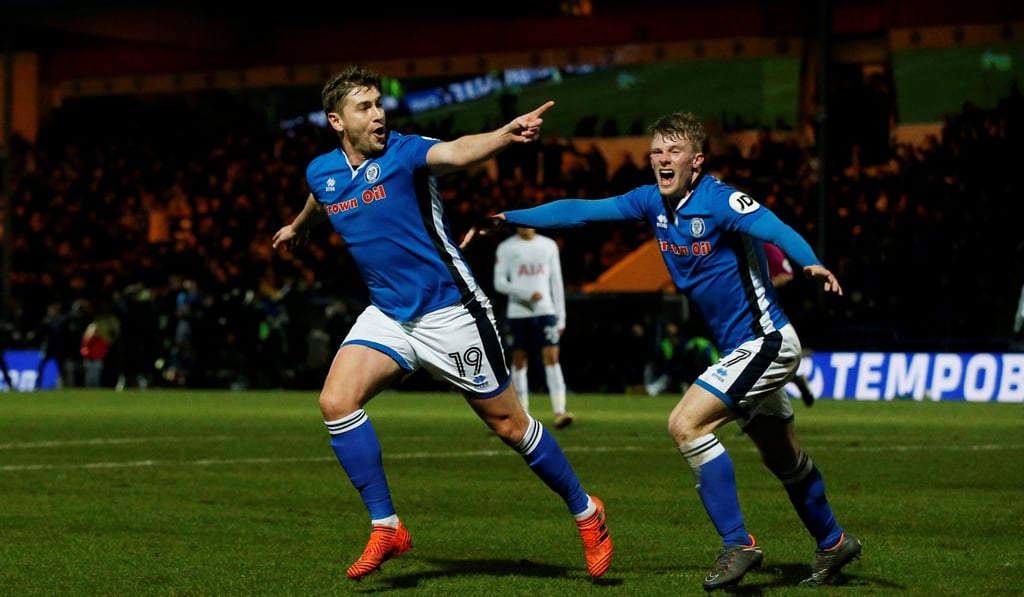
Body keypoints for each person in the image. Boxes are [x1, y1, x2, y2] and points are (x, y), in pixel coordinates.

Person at [464, 111, 860, 591]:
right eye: (656, 151)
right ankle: (834, 541)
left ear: (696, 161)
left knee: (685, 424)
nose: (662, 159)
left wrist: (811, 262)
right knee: (784, 458)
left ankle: (738, 542)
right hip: (740, 346)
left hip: (767, 340)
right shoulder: (650, 202)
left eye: (673, 151)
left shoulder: (719, 199)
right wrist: (508, 218)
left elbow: (773, 226)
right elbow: (582, 210)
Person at [270, 65, 611, 581]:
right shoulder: (322, 170)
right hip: (388, 313)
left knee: (509, 425)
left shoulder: (407, 154)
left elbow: (456, 151)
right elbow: (323, 197)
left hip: (450, 311)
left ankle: (587, 512)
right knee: (335, 401)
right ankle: (387, 527)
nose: (380, 113)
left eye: (380, 104)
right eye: (366, 107)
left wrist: (504, 135)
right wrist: (298, 226)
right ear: (337, 121)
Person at [492, 226, 574, 429]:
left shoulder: (548, 245)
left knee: (552, 357)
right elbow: (499, 282)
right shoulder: (506, 247)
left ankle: (559, 411)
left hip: (545, 311)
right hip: (518, 312)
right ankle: (522, 414)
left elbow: (556, 282)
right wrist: (525, 293)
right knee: (519, 360)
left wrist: (560, 317)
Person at [765, 241, 815, 407]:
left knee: (764, 362)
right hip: (757, 312)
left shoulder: (767, 246)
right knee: (765, 364)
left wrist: (762, 289)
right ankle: (797, 381)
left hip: (772, 312)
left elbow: (786, 275)